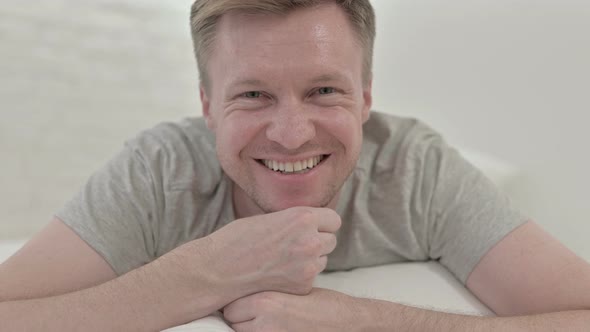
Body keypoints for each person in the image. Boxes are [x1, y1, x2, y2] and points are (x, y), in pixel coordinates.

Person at [1, 0, 589, 330]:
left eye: (324, 91)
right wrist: (201, 273)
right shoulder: (158, 174)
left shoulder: (415, 172)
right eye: (253, 95)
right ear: (208, 104)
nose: (290, 134)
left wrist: (360, 323)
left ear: (365, 97)